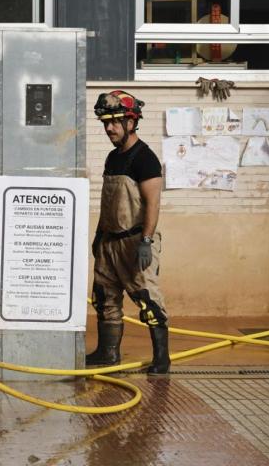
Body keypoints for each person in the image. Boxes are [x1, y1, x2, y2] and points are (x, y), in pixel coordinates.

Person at [87, 90, 171, 375]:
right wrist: (99, 236)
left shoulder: (144, 158)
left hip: (135, 242)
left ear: (132, 121)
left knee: (147, 298)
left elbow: (152, 203)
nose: (109, 128)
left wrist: (146, 241)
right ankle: (107, 353)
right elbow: (108, 200)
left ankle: (162, 358)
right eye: (105, 122)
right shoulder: (113, 158)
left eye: (115, 121)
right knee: (104, 297)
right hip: (109, 242)